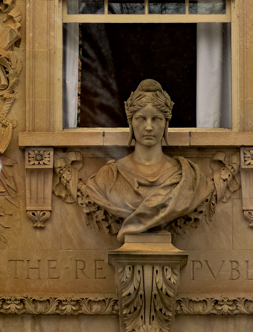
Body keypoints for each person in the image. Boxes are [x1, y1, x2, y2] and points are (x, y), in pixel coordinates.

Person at [82, 79, 214, 241]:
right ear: (130, 122)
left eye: (156, 119)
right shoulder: (107, 179)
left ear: (166, 124)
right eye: (141, 118)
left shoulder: (188, 177)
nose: (149, 127)